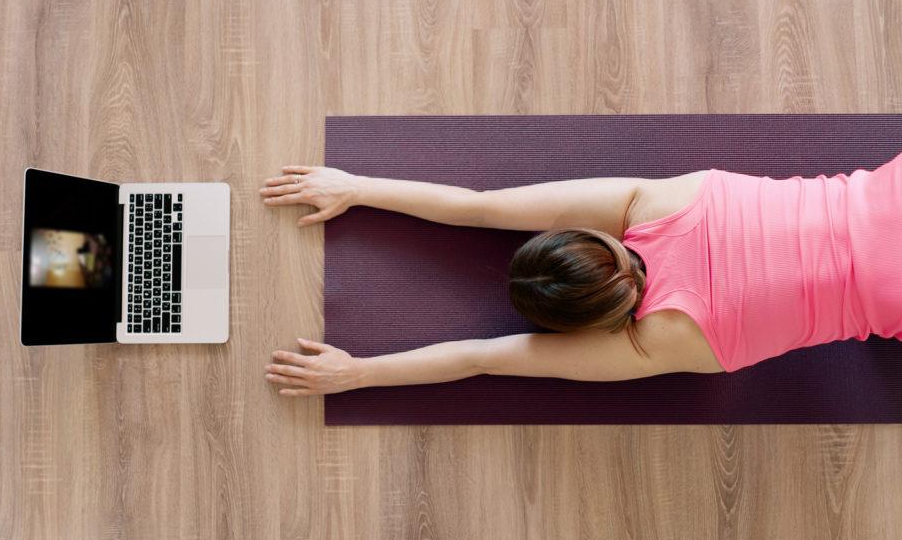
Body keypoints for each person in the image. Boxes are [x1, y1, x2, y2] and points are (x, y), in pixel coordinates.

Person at [258, 155, 902, 397]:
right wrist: (358, 185)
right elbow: (480, 204)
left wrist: (360, 372)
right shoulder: (656, 204)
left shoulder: (660, 340)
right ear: (584, 238)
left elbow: (486, 359)